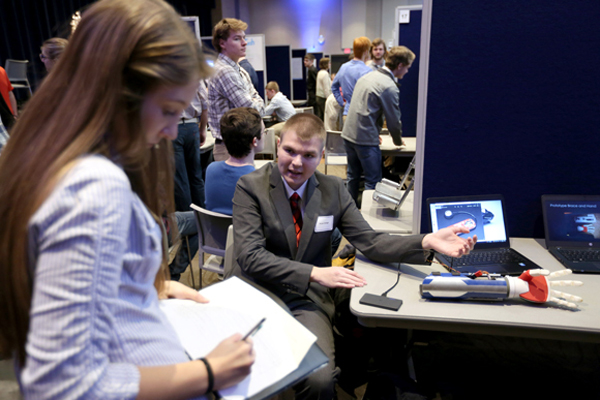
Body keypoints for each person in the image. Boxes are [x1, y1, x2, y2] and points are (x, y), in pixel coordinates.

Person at [0, 1, 255, 399]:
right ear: (118, 97)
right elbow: (61, 385)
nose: (173, 130)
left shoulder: (56, 157)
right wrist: (209, 372)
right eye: (169, 110)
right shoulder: (94, 188)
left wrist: (138, 287)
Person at [229, 113, 476, 400]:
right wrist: (313, 272)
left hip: (306, 299)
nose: (297, 163)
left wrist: (427, 240)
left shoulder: (333, 190)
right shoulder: (250, 187)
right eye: (290, 151)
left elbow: (370, 242)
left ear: (321, 155)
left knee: (320, 379)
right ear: (278, 144)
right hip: (257, 292)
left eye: (308, 155)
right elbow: (250, 257)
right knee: (251, 377)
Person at [342, 46, 415, 204]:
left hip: (348, 134)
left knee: (352, 177)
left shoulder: (367, 77)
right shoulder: (388, 87)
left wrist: (373, 132)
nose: (407, 72)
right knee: (372, 181)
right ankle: (369, 221)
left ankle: (349, 213)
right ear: (400, 66)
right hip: (365, 140)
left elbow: (360, 108)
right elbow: (394, 122)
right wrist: (397, 141)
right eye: (408, 68)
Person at [208, 18, 265, 162]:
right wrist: (256, 102)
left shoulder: (239, 69)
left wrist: (255, 102)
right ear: (222, 43)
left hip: (239, 147)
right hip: (229, 149)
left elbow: (257, 103)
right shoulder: (224, 71)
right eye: (237, 39)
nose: (244, 43)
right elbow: (253, 110)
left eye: (244, 38)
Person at [205, 107, 264, 215]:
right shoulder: (259, 180)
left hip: (213, 231)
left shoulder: (211, 170)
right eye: (264, 132)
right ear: (254, 141)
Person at [331, 36, 372, 119]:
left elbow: (334, 87)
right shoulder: (367, 71)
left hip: (347, 113)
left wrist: (342, 103)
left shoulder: (343, 67)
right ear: (366, 52)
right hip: (362, 115)